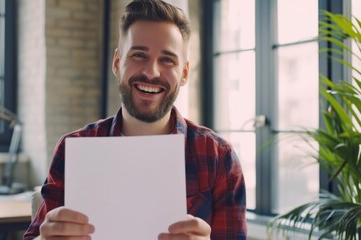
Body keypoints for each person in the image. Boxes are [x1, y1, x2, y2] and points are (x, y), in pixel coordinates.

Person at [24, 0, 247, 239]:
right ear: (118, 63)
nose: (151, 72)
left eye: (167, 59)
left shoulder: (218, 157)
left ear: (184, 73)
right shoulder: (72, 149)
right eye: (139, 55)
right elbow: (36, 236)